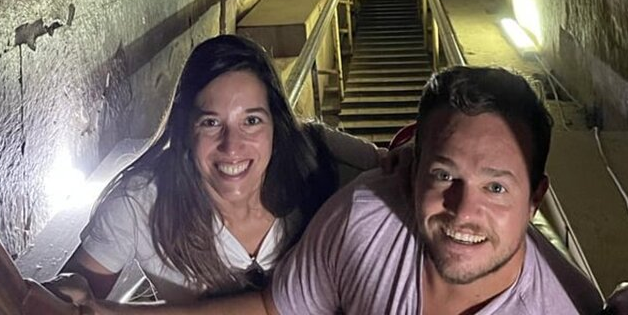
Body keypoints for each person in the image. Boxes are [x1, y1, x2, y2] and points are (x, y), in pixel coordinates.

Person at [44, 66, 605, 314]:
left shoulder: (320, 166)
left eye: (497, 187)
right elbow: (274, 307)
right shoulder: (363, 219)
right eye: (444, 175)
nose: (464, 207)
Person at [50, 34, 382, 304]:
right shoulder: (141, 202)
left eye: (251, 121)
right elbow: (78, 290)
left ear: (275, 124)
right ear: (184, 127)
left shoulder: (319, 156)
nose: (232, 146)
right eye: (211, 122)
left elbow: (406, 163)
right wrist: (67, 292)